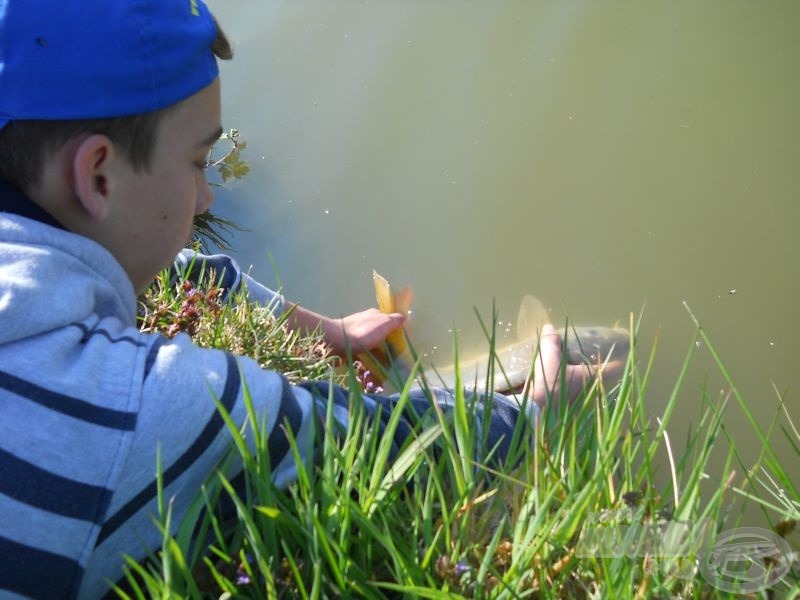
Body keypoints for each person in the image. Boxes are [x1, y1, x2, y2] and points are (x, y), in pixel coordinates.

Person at [0, 2, 623, 598]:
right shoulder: (132, 407)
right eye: (198, 163)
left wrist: (314, 327)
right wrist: (534, 418)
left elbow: (184, 273)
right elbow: (371, 443)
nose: (207, 198)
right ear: (98, 176)